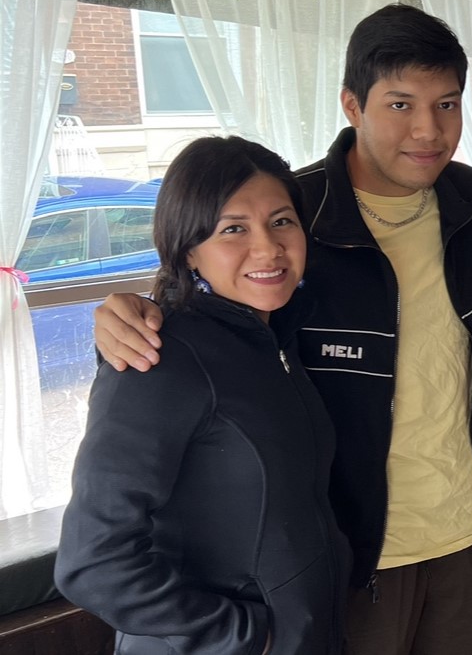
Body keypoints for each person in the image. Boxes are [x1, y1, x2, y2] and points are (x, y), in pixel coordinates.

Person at [91, 4, 472, 655]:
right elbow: (212, 288)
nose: (428, 129)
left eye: (447, 104)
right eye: (400, 104)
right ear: (351, 104)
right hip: (349, 554)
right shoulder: (295, 211)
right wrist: (127, 315)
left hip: (461, 536)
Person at [56, 136, 349, 654]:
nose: (268, 248)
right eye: (233, 229)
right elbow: (93, 561)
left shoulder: (276, 337)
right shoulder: (158, 358)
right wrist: (247, 635)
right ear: (188, 249)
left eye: (281, 221)